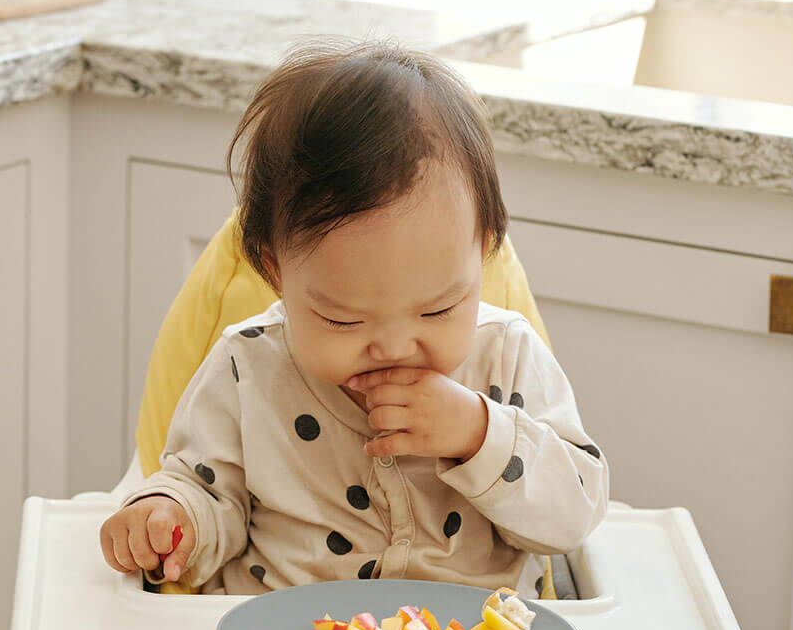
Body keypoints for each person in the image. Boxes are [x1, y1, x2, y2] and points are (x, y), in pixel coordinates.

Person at [100, 38, 608, 596]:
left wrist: (478, 434)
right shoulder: (247, 366)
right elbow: (205, 490)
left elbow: (577, 513)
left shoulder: (508, 355)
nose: (393, 346)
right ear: (276, 272)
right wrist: (171, 517)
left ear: (483, 251)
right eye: (343, 321)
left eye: (438, 308)